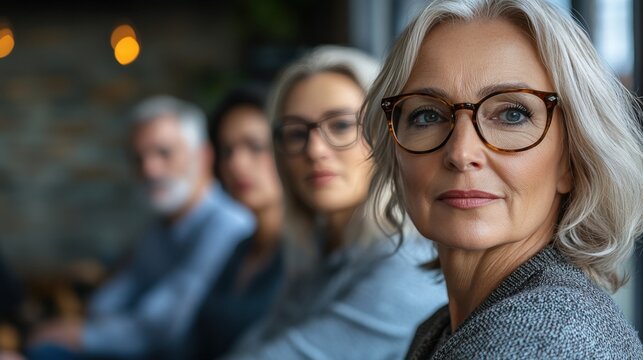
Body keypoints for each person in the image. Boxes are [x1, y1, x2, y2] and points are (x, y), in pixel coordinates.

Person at [361, 0, 643, 358]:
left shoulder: (543, 339)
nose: (462, 153)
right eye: (427, 115)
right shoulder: (441, 327)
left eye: (512, 114)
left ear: (571, 159)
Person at [224, 46, 447, 360]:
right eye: (296, 132)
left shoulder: (407, 266)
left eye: (341, 125)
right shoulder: (318, 255)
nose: (314, 150)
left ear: (386, 133)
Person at [29, 96, 255, 359]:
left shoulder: (229, 226)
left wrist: (83, 335)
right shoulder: (158, 229)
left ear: (203, 156)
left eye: (164, 153)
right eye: (138, 158)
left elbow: (166, 329)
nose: (149, 169)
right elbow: (111, 300)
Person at [184, 85, 285, 359]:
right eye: (227, 151)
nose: (236, 163)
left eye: (255, 146)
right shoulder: (240, 247)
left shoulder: (311, 253)